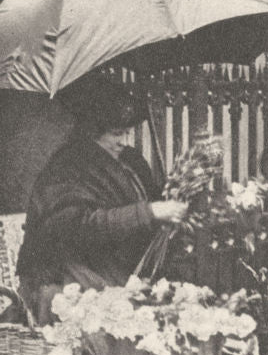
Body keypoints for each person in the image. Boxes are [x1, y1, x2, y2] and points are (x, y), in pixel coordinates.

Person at [16, 75, 187, 324]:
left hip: (120, 271)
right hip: (71, 275)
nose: (124, 141)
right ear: (90, 133)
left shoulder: (132, 161)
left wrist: (166, 212)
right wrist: (149, 212)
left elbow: (148, 206)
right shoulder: (66, 168)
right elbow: (76, 226)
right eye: (116, 134)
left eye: (127, 132)